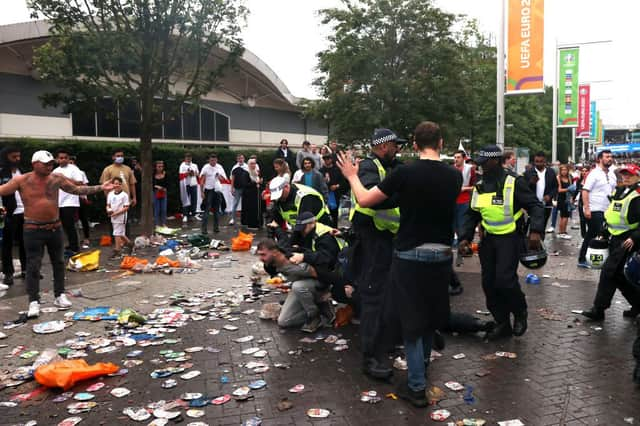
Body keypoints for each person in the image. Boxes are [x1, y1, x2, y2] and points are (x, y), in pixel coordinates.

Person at [338, 121, 460, 408]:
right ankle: (424, 368)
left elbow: (366, 200)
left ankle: (416, 386)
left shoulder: (404, 173)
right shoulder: (454, 175)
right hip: (442, 255)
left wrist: (352, 176)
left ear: (415, 145)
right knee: (430, 318)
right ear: (441, 143)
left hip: (410, 256)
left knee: (413, 323)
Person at [0, 150, 114, 318]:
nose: (49, 166)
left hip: (54, 227)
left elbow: (77, 189)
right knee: (33, 265)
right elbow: (2, 190)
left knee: (59, 262)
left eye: (50, 163)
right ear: (34, 164)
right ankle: (33, 301)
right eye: (45, 163)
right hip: (32, 229)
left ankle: (59, 295)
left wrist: (101, 187)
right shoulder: (22, 180)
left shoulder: (56, 178)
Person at [459, 145, 544, 341]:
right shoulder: (479, 185)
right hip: (488, 240)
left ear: (495, 161)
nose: (480, 167)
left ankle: (520, 311)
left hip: (510, 238)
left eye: (483, 163)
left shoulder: (514, 182)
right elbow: (472, 214)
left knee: (505, 280)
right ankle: (502, 323)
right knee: (489, 283)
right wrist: (465, 237)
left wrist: (536, 232)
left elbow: (535, 206)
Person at [346, 128, 403, 381]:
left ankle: (388, 340)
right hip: (371, 239)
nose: (398, 149)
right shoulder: (368, 167)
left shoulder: (394, 166)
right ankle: (370, 357)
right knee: (372, 297)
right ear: (382, 147)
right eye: (394, 145)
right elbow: (372, 197)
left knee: (391, 293)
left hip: (388, 238)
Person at [581, 164, 640, 322]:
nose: (625, 177)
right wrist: (604, 232)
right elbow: (611, 214)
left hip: (628, 240)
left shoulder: (638, 195)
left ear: (637, 177)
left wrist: (635, 237)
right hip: (615, 238)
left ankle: (598, 309)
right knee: (620, 276)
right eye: (624, 174)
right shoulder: (619, 191)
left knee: (608, 271)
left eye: (629, 175)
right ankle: (637, 304)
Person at [256, 238, 324, 332]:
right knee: (283, 321)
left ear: (275, 252)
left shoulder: (293, 260)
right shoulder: (272, 265)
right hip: (301, 288)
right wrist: (288, 285)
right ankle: (321, 309)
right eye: (259, 254)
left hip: (319, 285)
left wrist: (326, 290)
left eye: (263, 254)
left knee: (298, 286)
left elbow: (320, 273)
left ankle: (314, 316)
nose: (260, 258)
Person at [578, 150, 616, 268]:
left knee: (602, 234)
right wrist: (587, 208)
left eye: (611, 157)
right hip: (595, 209)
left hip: (607, 210)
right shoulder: (594, 173)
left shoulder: (612, 174)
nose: (610, 158)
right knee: (593, 233)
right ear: (600, 159)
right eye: (607, 157)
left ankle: (600, 258)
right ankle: (582, 259)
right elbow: (585, 191)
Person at [0, 146, 25, 288]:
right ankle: (8, 273)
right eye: (13, 157)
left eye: (18, 156)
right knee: (7, 245)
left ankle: (26, 270)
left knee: (25, 243)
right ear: (6, 157)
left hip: (25, 211)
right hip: (9, 213)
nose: (17, 159)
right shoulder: (1, 172)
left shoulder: (23, 172)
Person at [267, 176, 332, 228]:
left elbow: (304, 224)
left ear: (286, 186)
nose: (279, 198)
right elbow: (276, 220)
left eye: (280, 194)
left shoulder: (305, 197)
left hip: (321, 225)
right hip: (301, 228)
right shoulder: (279, 199)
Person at [53, 149, 84, 254]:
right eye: (61, 158)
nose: (63, 160)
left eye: (66, 158)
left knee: (70, 225)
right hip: (58, 202)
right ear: (57, 159)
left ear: (69, 158)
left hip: (70, 202)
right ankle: (69, 245)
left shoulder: (74, 169)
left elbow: (79, 183)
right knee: (61, 226)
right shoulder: (55, 171)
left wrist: (64, 179)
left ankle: (75, 248)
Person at [524, 151, 557, 237]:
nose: (538, 164)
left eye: (540, 161)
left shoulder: (551, 172)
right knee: (533, 227)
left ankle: (540, 245)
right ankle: (531, 246)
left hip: (546, 205)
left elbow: (555, 187)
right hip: (532, 205)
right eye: (536, 161)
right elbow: (523, 188)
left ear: (545, 161)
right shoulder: (528, 172)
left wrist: (549, 196)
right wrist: (531, 183)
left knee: (542, 226)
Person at [452, 150, 476, 242]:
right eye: (455, 157)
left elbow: (474, 186)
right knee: (452, 225)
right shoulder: (451, 169)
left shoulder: (470, 169)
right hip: (452, 201)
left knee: (462, 225)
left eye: (458, 157)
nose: (456, 159)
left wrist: (465, 189)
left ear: (464, 158)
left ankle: (462, 246)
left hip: (464, 200)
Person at [199, 154, 227, 234]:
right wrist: (201, 192)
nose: (213, 162)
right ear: (209, 160)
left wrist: (219, 176)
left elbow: (223, 179)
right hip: (208, 190)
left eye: (214, 160)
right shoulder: (206, 167)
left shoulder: (219, 167)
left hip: (217, 190)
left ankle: (216, 228)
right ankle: (204, 229)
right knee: (207, 210)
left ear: (216, 160)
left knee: (216, 210)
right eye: (211, 160)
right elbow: (202, 180)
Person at [106, 177, 131, 258]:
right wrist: (108, 210)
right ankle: (130, 244)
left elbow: (126, 207)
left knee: (116, 233)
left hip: (121, 216)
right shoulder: (110, 194)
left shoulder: (124, 195)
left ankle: (117, 250)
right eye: (115, 183)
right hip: (113, 216)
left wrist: (116, 213)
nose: (116, 185)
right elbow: (108, 205)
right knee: (121, 234)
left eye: (118, 183)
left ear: (121, 184)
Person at [320, 153, 348, 225]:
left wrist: (337, 186)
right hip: (324, 194)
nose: (326, 161)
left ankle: (335, 227)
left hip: (335, 193)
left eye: (328, 159)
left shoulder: (337, 169)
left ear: (331, 159)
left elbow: (344, 181)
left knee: (334, 212)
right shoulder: (321, 170)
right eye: (324, 159)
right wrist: (324, 181)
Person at [69, 156, 91, 249]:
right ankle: (74, 240)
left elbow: (85, 185)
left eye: (72, 163)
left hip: (80, 198)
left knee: (84, 218)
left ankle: (86, 238)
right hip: (70, 200)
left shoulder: (80, 173)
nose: (70, 164)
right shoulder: (61, 173)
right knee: (73, 220)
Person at [178, 153, 200, 223]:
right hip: (185, 184)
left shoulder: (194, 165)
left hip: (193, 183)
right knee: (185, 200)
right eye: (187, 158)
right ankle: (185, 215)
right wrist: (188, 173)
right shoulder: (182, 165)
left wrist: (194, 173)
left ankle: (193, 214)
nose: (188, 159)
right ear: (185, 158)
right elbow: (181, 175)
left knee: (194, 200)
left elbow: (197, 174)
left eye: (190, 158)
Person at [242, 158, 263, 229]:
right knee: (252, 210)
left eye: (254, 163)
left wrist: (260, 182)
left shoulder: (256, 172)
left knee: (258, 209)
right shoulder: (246, 172)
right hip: (250, 195)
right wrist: (255, 183)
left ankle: (259, 223)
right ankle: (252, 224)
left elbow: (258, 181)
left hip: (257, 193)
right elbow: (245, 184)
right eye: (251, 164)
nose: (253, 165)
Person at [229, 154, 249, 225]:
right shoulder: (234, 167)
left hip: (245, 189)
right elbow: (232, 178)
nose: (240, 159)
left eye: (242, 158)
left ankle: (245, 219)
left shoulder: (247, 167)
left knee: (245, 205)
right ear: (237, 159)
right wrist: (232, 188)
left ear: (244, 159)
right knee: (235, 204)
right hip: (237, 189)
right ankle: (232, 219)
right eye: (239, 158)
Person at [556, 164, 573, 239]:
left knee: (566, 216)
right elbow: (559, 190)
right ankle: (561, 232)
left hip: (568, 198)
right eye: (562, 170)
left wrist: (572, 197)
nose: (564, 171)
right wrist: (569, 189)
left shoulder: (569, 177)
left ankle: (563, 231)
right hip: (561, 199)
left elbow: (572, 188)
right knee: (564, 216)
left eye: (565, 170)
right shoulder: (558, 177)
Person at [153, 160, 168, 227]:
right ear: (156, 167)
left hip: (163, 192)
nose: (160, 168)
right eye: (159, 166)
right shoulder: (153, 175)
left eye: (162, 166)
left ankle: (164, 223)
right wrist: (157, 187)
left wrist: (164, 188)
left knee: (163, 209)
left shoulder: (165, 174)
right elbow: (151, 183)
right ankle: (157, 224)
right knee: (157, 209)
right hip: (156, 193)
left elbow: (168, 184)